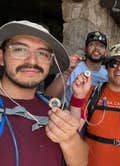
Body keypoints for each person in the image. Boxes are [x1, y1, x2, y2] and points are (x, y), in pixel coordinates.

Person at [0, 20, 88, 166]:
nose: (32, 61)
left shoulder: (51, 107)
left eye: (42, 53)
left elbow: (82, 162)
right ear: (2, 57)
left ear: (50, 62)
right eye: (20, 49)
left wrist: (70, 138)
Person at [45, 31, 108, 107]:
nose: (96, 48)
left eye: (101, 46)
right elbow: (49, 97)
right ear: (85, 50)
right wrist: (66, 73)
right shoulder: (73, 67)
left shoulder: (108, 74)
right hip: (69, 114)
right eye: (92, 45)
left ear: (105, 52)